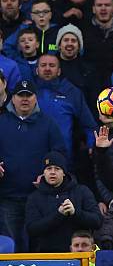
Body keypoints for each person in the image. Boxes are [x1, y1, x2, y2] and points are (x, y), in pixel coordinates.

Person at [0, 80, 67, 252]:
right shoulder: (1, 122)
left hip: (40, 197)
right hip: (7, 197)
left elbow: (60, 154)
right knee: (11, 246)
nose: (24, 99)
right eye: (20, 95)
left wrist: (47, 176)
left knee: (39, 247)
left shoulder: (49, 124)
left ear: (35, 98)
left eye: (28, 95)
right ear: (12, 98)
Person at [25, 151, 103, 252]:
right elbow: (32, 229)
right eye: (49, 169)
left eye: (57, 169)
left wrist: (75, 213)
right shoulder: (34, 197)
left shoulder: (82, 191)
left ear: (64, 173)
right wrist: (59, 214)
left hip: (79, 254)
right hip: (47, 256)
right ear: (43, 173)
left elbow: (97, 221)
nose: (52, 172)